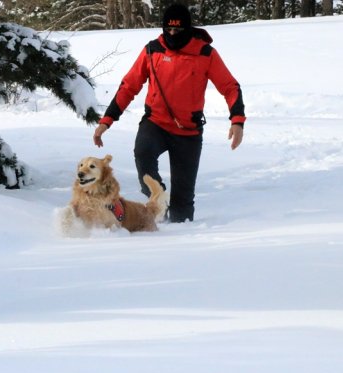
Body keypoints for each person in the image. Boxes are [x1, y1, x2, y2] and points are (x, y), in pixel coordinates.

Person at [93, 3, 246, 223]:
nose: (172, 33)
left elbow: (230, 87)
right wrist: (106, 121)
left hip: (188, 132)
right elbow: (129, 86)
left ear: (189, 29)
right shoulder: (152, 49)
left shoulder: (205, 53)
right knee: (143, 154)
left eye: (178, 30)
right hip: (155, 123)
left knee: (182, 207)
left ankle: (180, 243)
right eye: (168, 29)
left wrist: (237, 121)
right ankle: (159, 197)